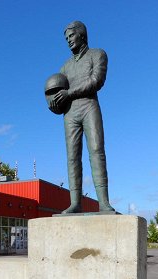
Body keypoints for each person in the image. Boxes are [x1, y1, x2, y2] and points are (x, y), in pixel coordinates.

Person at [49, 21, 115, 213]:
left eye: (71, 36)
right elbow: (56, 94)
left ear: (82, 35)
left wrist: (69, 94)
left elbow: (96, 81)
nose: (69, 41)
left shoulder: (98, 54)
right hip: (70, 114)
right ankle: (75, 203)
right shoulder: (65, 68)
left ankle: (103, 202)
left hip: (89, 107)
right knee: (72, 158)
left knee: (96, 151)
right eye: (66, 38)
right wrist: (53, 103)